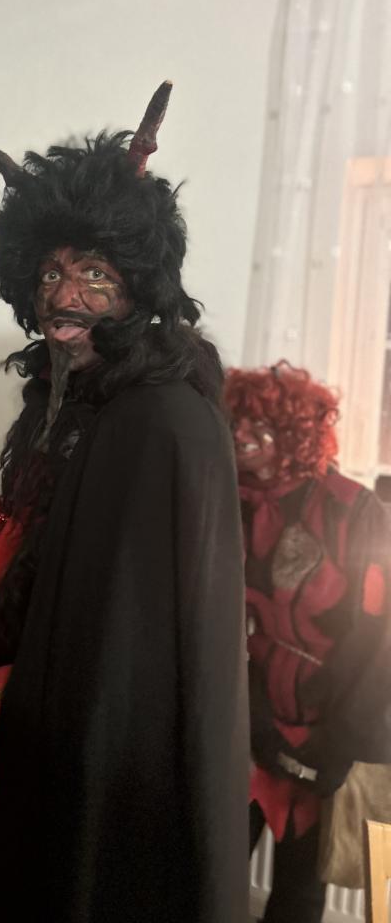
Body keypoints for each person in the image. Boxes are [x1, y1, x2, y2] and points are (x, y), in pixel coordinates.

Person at [0, 83, 250, 922]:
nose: (64, 296)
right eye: (52, 272)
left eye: (95, 274)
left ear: (139, 288)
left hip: (94, 831)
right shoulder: (69, 409)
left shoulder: (155, 421)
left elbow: (122, 687)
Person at [225, 361, 391, 923]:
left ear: (295, 432)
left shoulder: (353, 509)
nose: (241, 434)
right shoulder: (227, 502)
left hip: (329, 730)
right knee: (214, 876)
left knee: (300, 894)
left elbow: (378, 638)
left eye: (259, 423)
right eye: (235, 421)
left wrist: (339, 742)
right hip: (251, 724)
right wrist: (253, 721)